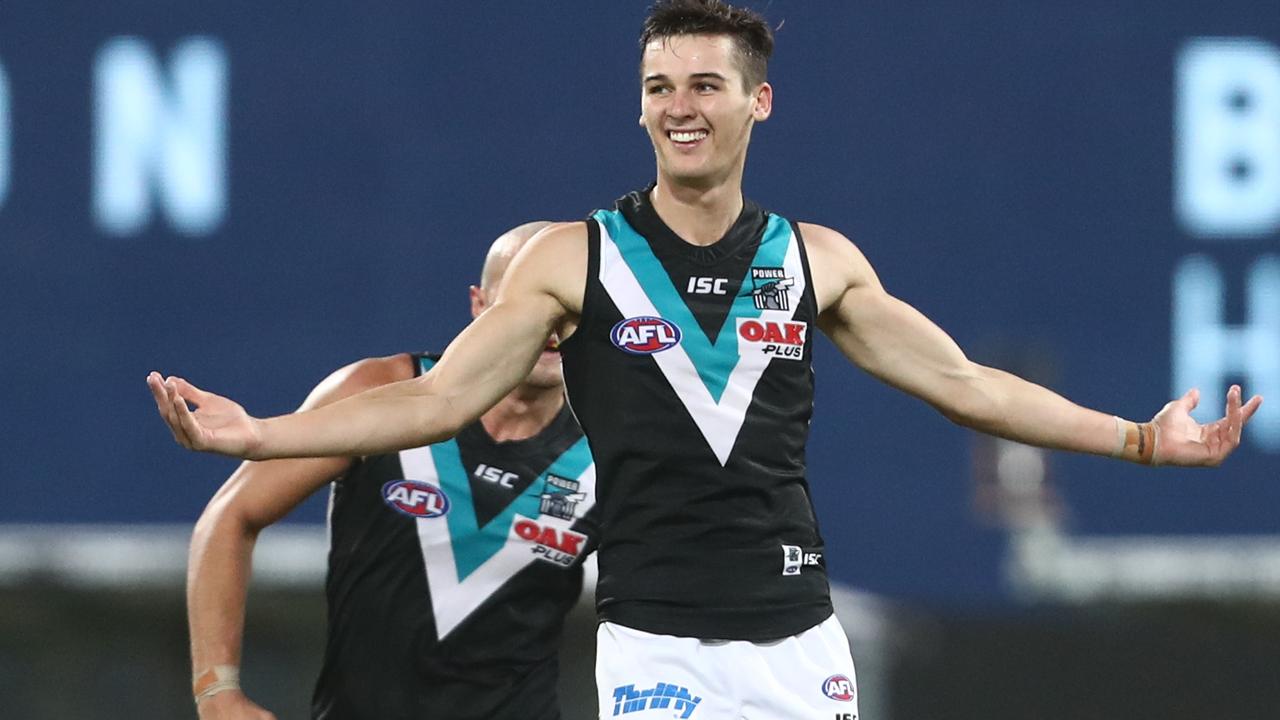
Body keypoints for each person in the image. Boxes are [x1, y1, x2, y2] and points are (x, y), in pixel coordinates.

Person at [150, 2, 1263, 717]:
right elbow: (438, 395)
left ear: (756, 102)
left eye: (703, 86)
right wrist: (258, 435)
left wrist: (1134, 440)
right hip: (654, 650)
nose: (678, 108)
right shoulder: (569, 258)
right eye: (656, 88)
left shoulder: (813, 260)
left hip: (797, 641)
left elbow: (964, 384)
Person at [185, 221, 597, 720]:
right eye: (533, 299)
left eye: (567, 305)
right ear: (480, 306)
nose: (550, 325)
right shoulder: (380, 393)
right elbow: (231, 516)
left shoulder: (611, 442)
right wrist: (216, 690)